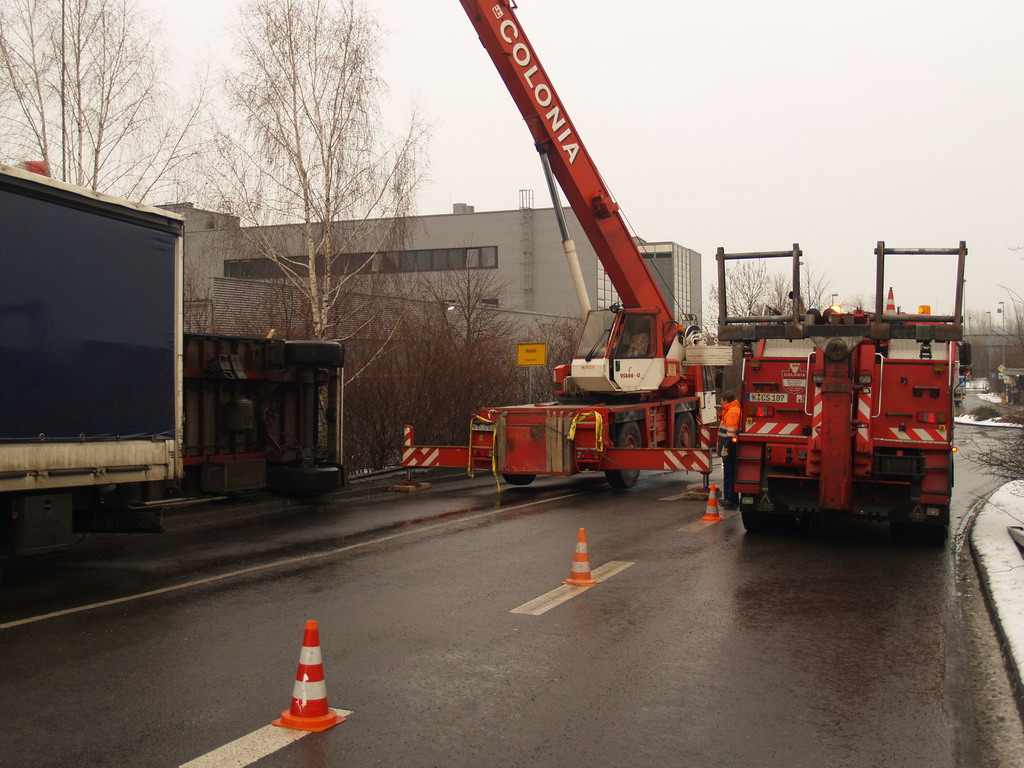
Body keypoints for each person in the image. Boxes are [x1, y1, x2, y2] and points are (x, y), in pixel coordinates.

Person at [717, 390, 741, 507]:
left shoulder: (732, 412)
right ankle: (730, 498)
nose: (720, 403)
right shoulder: (731, 410)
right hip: (731, 447)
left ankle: (730, 499)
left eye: (721, 400)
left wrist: (726, 447)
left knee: (729, 474)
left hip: (729, 448)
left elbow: (731, 432)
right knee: (730, 474)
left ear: (726, 400)